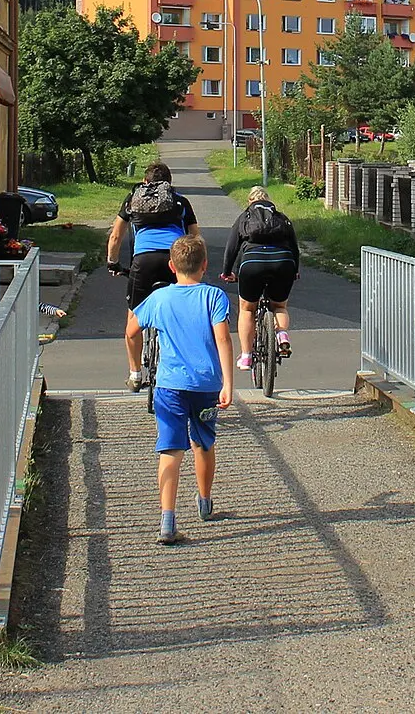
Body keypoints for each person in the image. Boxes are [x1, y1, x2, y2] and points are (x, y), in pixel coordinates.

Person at [124, 233, 234, 545]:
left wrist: (136, 368)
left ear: (172, 266)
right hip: (205, 385)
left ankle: (167, 519)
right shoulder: (214, 297)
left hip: (169, 386)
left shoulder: (158, 299)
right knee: (203, 442)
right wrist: (228, 382)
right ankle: (204, 500)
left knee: (170, 449)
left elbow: (131, 331)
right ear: (205, 265)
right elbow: (223, 339)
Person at [106, 161, 199, 391]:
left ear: (145, 181)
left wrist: (113, 262)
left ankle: (135, 374)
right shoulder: (180, 202)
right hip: (173, 262)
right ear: (169, 183)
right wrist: (195, 268)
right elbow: (195, 238)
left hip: (143, 262)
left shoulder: (133, 199)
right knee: (179, 315)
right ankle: (180, 367)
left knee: (134, 320)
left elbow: (116, 236)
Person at [220, 185, 299, 369]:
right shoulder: (281, 218)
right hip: (283, 262)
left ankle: (247, 356)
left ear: (250, 201)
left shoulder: (245, 217)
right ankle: (282, 334)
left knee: (247, 309)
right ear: (269, 200)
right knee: (279, 305)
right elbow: (294, 247)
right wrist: (295, 269)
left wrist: (227, 271)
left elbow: (232, 247)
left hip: (252, 264)